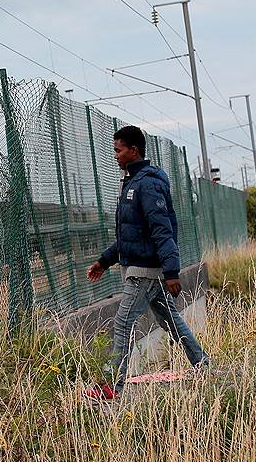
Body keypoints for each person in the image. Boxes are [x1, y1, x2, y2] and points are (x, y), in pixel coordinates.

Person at [83, 125, 210, 403]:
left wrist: (172, 271)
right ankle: (203, 365)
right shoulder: (131, 182)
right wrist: (104, 261)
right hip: (142, 268)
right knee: (172, 322)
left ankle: (112, 388)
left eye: (118, 150)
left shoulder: (148, 183)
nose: (115, 155)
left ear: (133, 150)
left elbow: (161, 230)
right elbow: (132, 235)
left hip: (146, 272)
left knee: (122, 322)